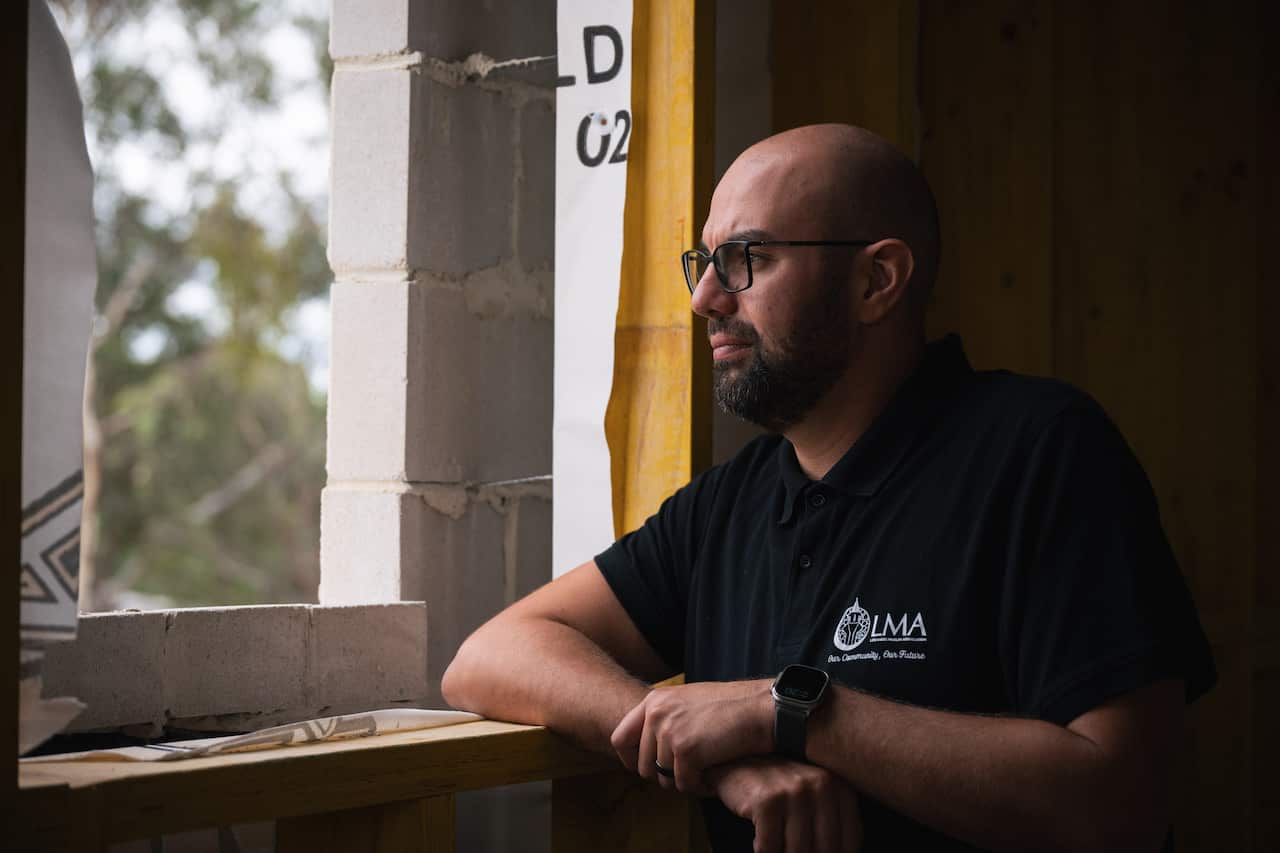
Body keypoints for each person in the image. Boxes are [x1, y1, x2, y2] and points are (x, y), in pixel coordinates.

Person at [442, 124, 1216, 852]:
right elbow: (489, 654)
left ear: (877, 279)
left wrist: (789, 711)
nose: (705, 297)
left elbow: (1123, 801)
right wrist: (713, 750)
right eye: (703, 261)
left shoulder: (1042, 452)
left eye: (746, 257)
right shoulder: (727, 506)